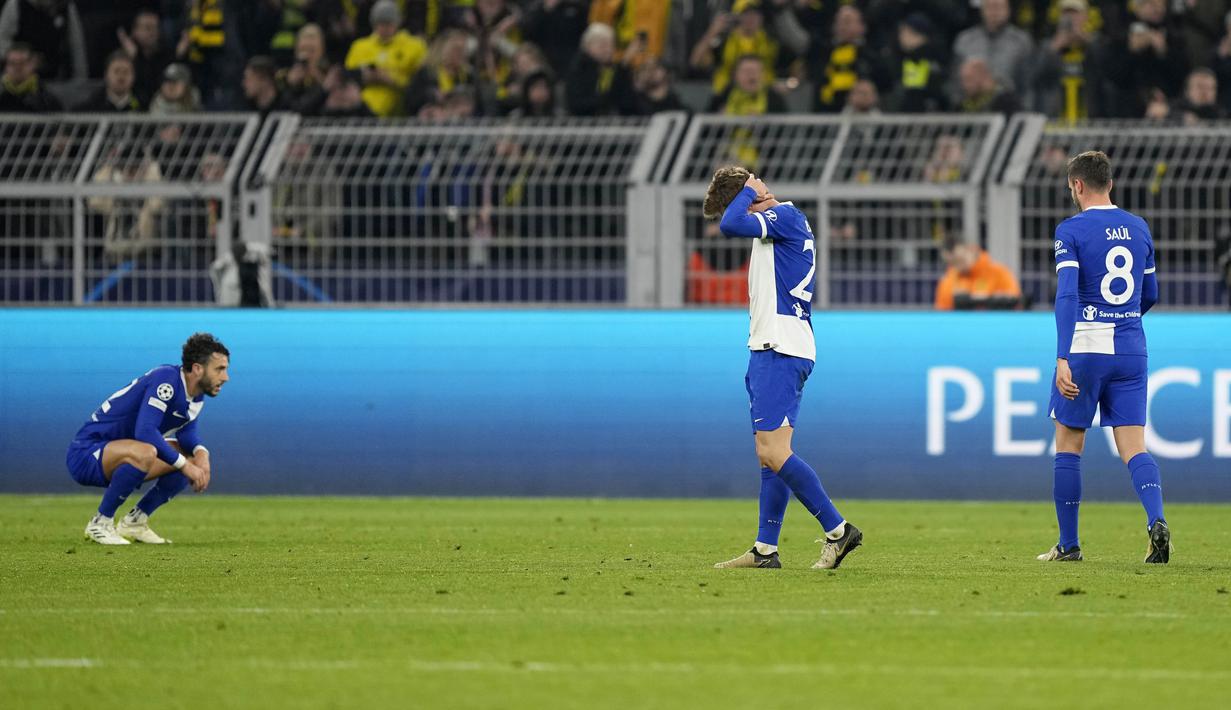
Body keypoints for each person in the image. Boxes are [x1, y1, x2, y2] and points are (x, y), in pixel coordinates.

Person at [703, 166, 863, 571]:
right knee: (772, 455)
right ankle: (765, 550)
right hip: (777, 345)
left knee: (771, 450)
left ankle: (837, 529)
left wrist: (748, 191)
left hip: (780, 347)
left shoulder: (783, 217)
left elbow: (730, 224)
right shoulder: (780, 224)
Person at [1040, 150, 1171, 564]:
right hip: (1132, 348)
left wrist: (1063, 356)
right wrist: (1123, 318)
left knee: (1068, 444)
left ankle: (1069, 545)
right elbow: (1149, 294)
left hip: (1088, 347)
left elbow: (1066, 295)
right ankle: (1156, 521)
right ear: (1110, 183)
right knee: (1134, 447)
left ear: (1077, 186)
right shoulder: (1139, 226)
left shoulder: (1070, 230)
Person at [65, 333, 229, 546]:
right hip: (87, 453)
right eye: (219, 369)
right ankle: (100, 523)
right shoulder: (167, 380)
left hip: (123, 454)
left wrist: (202, 454)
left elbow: (187, 435)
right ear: (197, 368)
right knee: (149, 452)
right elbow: (145, 431)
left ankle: (135, 522)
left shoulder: (196, 396)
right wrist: (185, 466)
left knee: (188, 457)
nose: (225, 377)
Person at [344, 0, 428, 117]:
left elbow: (420, 83)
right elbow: (347, 77)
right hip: (363, 106)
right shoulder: (360, 47)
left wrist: (392, 80)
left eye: (389, 23)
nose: (385, 28)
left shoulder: (414, 46)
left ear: (398, 23)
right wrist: (365, 77)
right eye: (380, 23)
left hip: (399, 106)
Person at [933, 236, 1021, 310]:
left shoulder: (999, 273)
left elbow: (1016, 305)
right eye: (951, 263)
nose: (957, 267)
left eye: (960, 260)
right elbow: (942, 314)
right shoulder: (948, 280)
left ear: (973, 250)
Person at [117, 9, 173, 106]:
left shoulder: (166, 56)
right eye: (147, 28)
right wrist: (134, 58)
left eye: (156, 28)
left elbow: (155, 88)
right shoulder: (121, 57)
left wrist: (180, 55)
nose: (153, 32)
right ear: (135, 31)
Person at [0, 41, 61, 112]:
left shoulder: (46, 98)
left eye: (22, 63)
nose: (17, 68)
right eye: (12, 63)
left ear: (33, 64)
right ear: (6, 67)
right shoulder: (1, 94)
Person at [75, 52, 142, 113]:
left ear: (134, 76)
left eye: (126, 72)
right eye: (116, 71)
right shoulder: (91, 107)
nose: (121, 77)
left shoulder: (141, 106)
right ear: (106, 75)